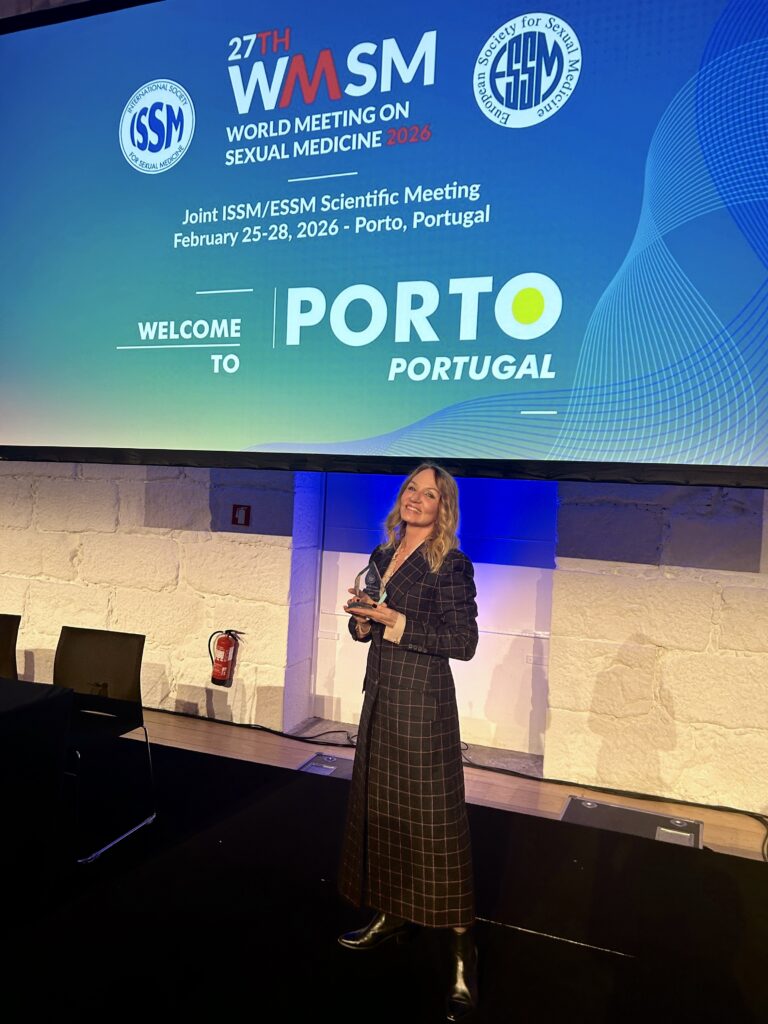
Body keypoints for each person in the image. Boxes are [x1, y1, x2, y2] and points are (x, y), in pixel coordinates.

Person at [337, 462, 479, 1021]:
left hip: (424, 708)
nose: (417, 498)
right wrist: (363, 622)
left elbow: (464, 641)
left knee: (438, 829)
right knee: (383, 813)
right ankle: (391, 913)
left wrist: (395, 623)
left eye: (431, 494)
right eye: (412, 489)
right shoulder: (381, 554)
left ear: (444, 509)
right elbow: (367, 628)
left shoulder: (451, 564)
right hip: (380, 699)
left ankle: (463, 954)